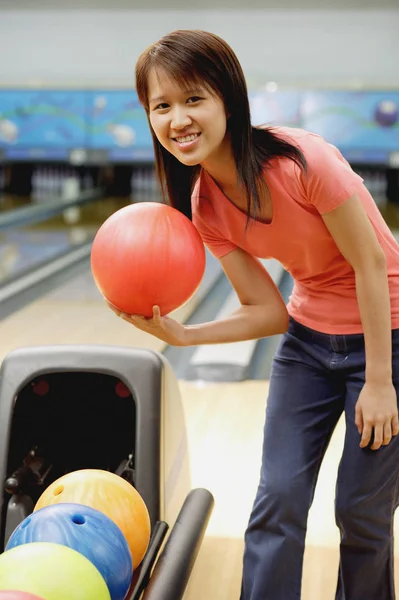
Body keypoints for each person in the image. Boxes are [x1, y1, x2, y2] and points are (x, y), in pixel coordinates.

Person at [109, 29, 399, 599]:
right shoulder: (204, 204)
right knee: (278, 500)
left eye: (194, 99)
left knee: (361, 512)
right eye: (161, 106)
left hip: (386, 335)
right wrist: (184, 334)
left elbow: (371, 266)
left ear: (228, 99)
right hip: (309, 345)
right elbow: (267, 312)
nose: (178, 119)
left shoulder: (304, 161)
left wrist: (383, 382)